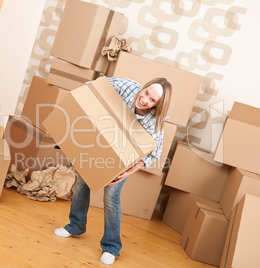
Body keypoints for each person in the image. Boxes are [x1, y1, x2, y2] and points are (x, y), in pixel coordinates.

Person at [53, 76, 172, 265]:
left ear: (156, 106)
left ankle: (111, 247)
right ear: (145, 86)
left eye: (152, 100)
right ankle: (75, 226)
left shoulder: (154, 121)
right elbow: (94, 87)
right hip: (98, 143)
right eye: (147, 92)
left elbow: (153, 154)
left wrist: (128, 173)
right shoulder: (127, 87)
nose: (145, 99)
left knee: (111, 196)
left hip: (121, 161)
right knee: (83, 181)